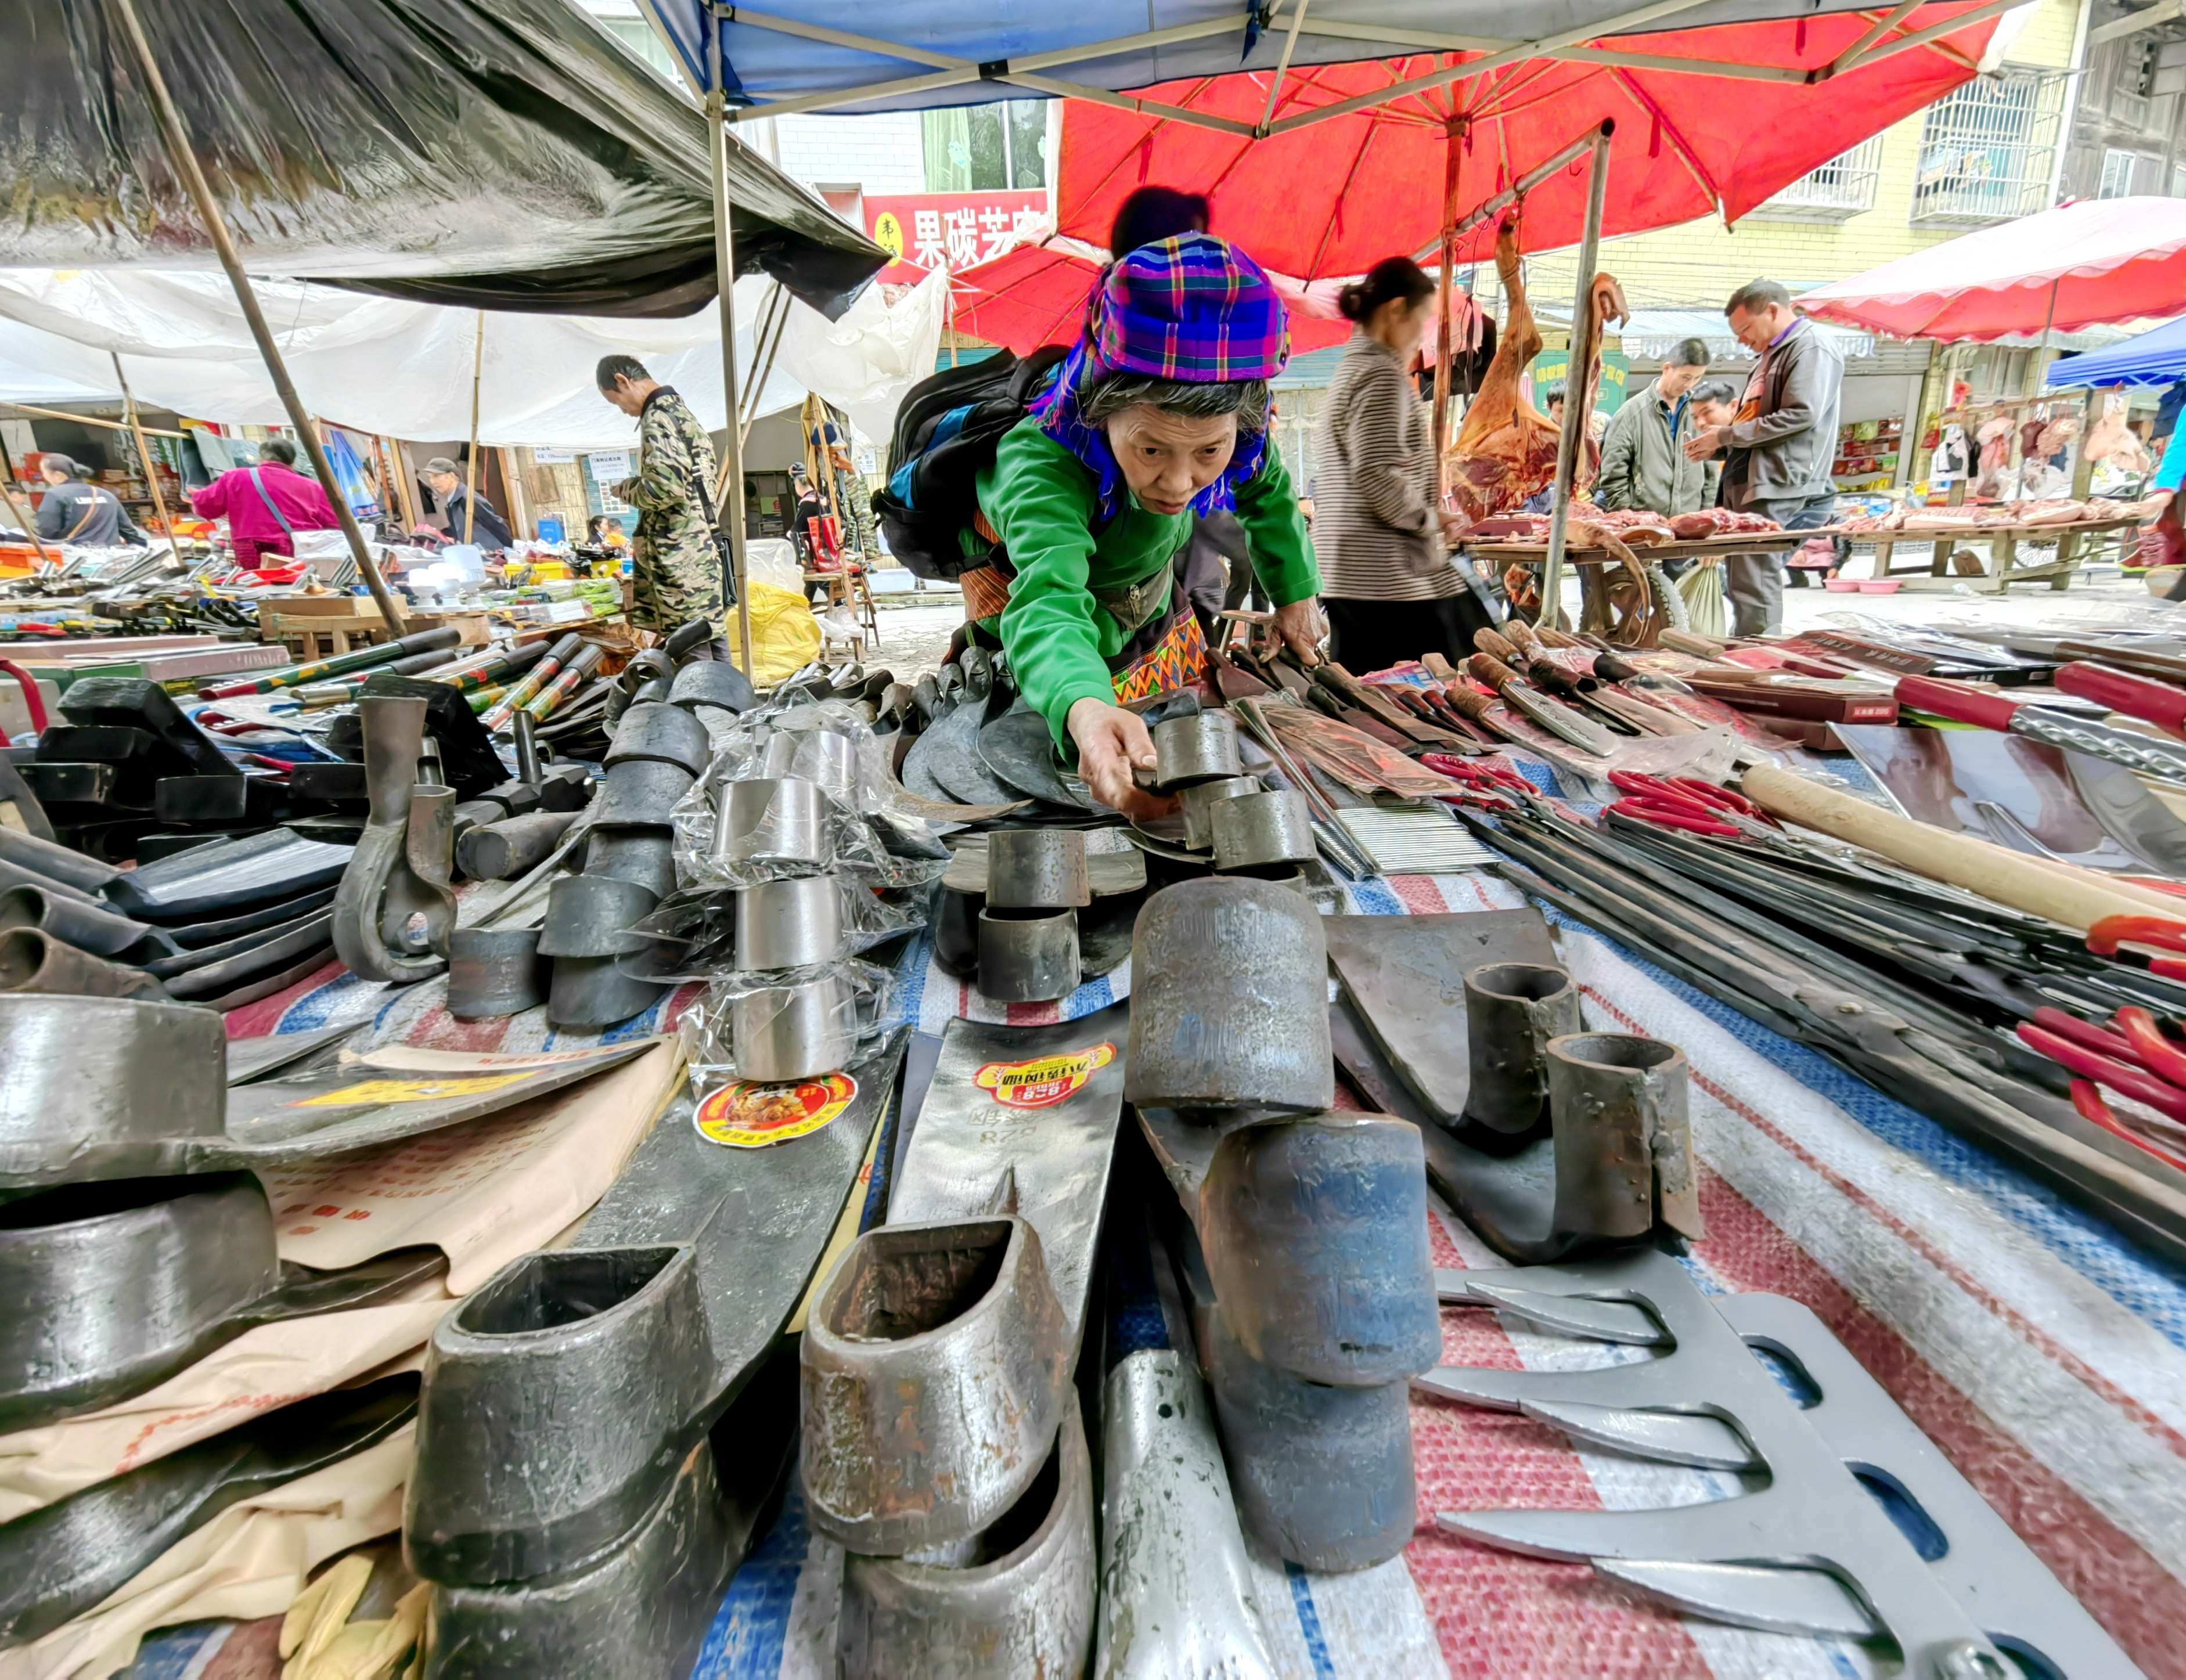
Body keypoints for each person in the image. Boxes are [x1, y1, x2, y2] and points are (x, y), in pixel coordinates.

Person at [973, 234, 1323, 819]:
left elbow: (1267, 485)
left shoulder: (1241, 428)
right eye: (1152, 450)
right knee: (1042, 794)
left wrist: (1296, 595)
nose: (1181, 484)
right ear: (1101, 412)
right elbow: (1047, 603)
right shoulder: (1042, 464)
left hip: (1151, 612)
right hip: (1041, 642)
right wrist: (1082, 707)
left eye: (1209, 452)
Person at [1314, 255, 1496, 673]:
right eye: (1423, 319)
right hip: (1387, 579)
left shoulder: (1352, 369)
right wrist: (1428, 517)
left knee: (1376, 700)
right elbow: (1377, 474)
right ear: (1396, 310)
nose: (1424, 333)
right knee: (1430, 692)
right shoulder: (1379, 376)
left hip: (1352, 572)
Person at [1684, 278, 1843, 636]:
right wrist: (1720, 445)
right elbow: (1758, 423)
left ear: (1772, 311)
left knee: (1755, 581)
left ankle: (1756, 664)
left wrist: (1725, 435)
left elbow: (1801, 415)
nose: (1742, 339)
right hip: (1756, 485)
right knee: (1744, 583)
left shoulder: (1811, 347)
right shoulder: (1772, 354)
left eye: (1745, 329)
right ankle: (1749, 655)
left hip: (1781, 483)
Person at [595, 355, 729, 640]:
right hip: (699, 548)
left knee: (692, 647)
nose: (623, 411)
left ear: (623, 381)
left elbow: (664, 488)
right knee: (710, 636)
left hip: (678, 556)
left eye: (616, 401)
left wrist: (628, 488)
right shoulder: (681, 413)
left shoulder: (657, 418)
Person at [1596, 338, 1710, 518]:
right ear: (1667, 369)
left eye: (1697, 378)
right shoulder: (1630, 414)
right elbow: (1612, 475)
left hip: (1690, 525)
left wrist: (1704, 516)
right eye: (1685, 377)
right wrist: (1631, 518)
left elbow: (1711, 469)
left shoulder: (1700, 412)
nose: (1690, 384)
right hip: (1644, 529)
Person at [188, 437, 340, 569]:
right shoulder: (313, 487)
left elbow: (206, 507)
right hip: (297, 550)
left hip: (251, 550)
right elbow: (335, 524)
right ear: (292, 463)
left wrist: (197, 497)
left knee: (259, 592)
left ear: (261, 458)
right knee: (297, 591)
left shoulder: (235, 477)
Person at [35, 455, 144, 547]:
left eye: (44, 472)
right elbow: (130, 533)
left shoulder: (55, 494)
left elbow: (46, 532)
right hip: (112, 561)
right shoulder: (106, 495)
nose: (44, 476)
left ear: (58, 474)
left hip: (76, 563)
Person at [420, 456, 514, 550]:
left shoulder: (468, 499)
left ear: (451, 476)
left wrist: (508, 550)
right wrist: (436, 534)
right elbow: (456, 530)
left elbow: (496, 524)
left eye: (436, 476)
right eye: (430, 477)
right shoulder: (453, 500)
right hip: (475, 553)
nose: (432, 482)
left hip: (491, 553)